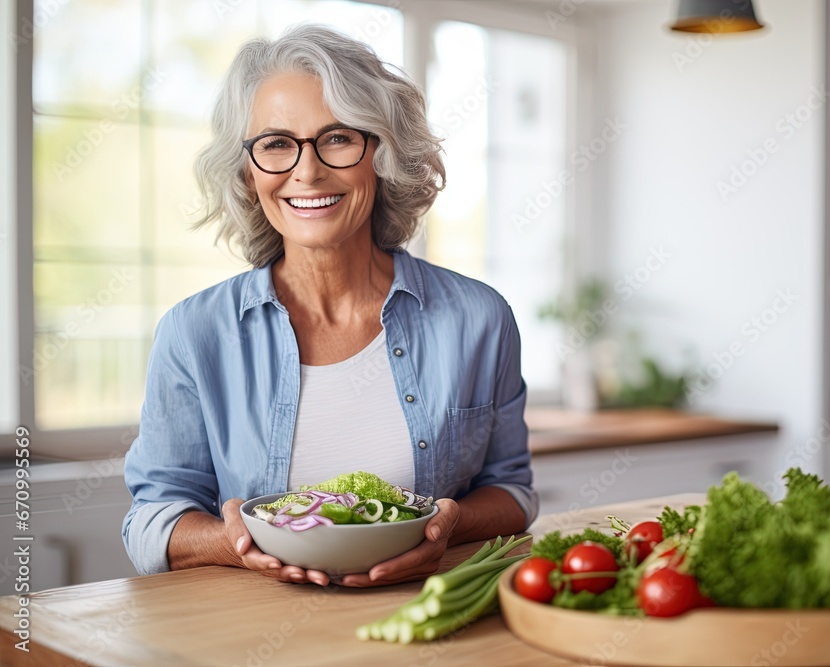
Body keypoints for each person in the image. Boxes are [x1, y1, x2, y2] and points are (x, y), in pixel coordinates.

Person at [122, 23, 537, 587]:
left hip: (426, 627)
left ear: (382, 155)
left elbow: (513, 492)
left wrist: (447, 527)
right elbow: (150, 522)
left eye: (338, 137)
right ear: (248, 172)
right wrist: (235, 541)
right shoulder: (193, 333)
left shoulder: (479, 318)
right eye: (275, 144)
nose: (307, 170)